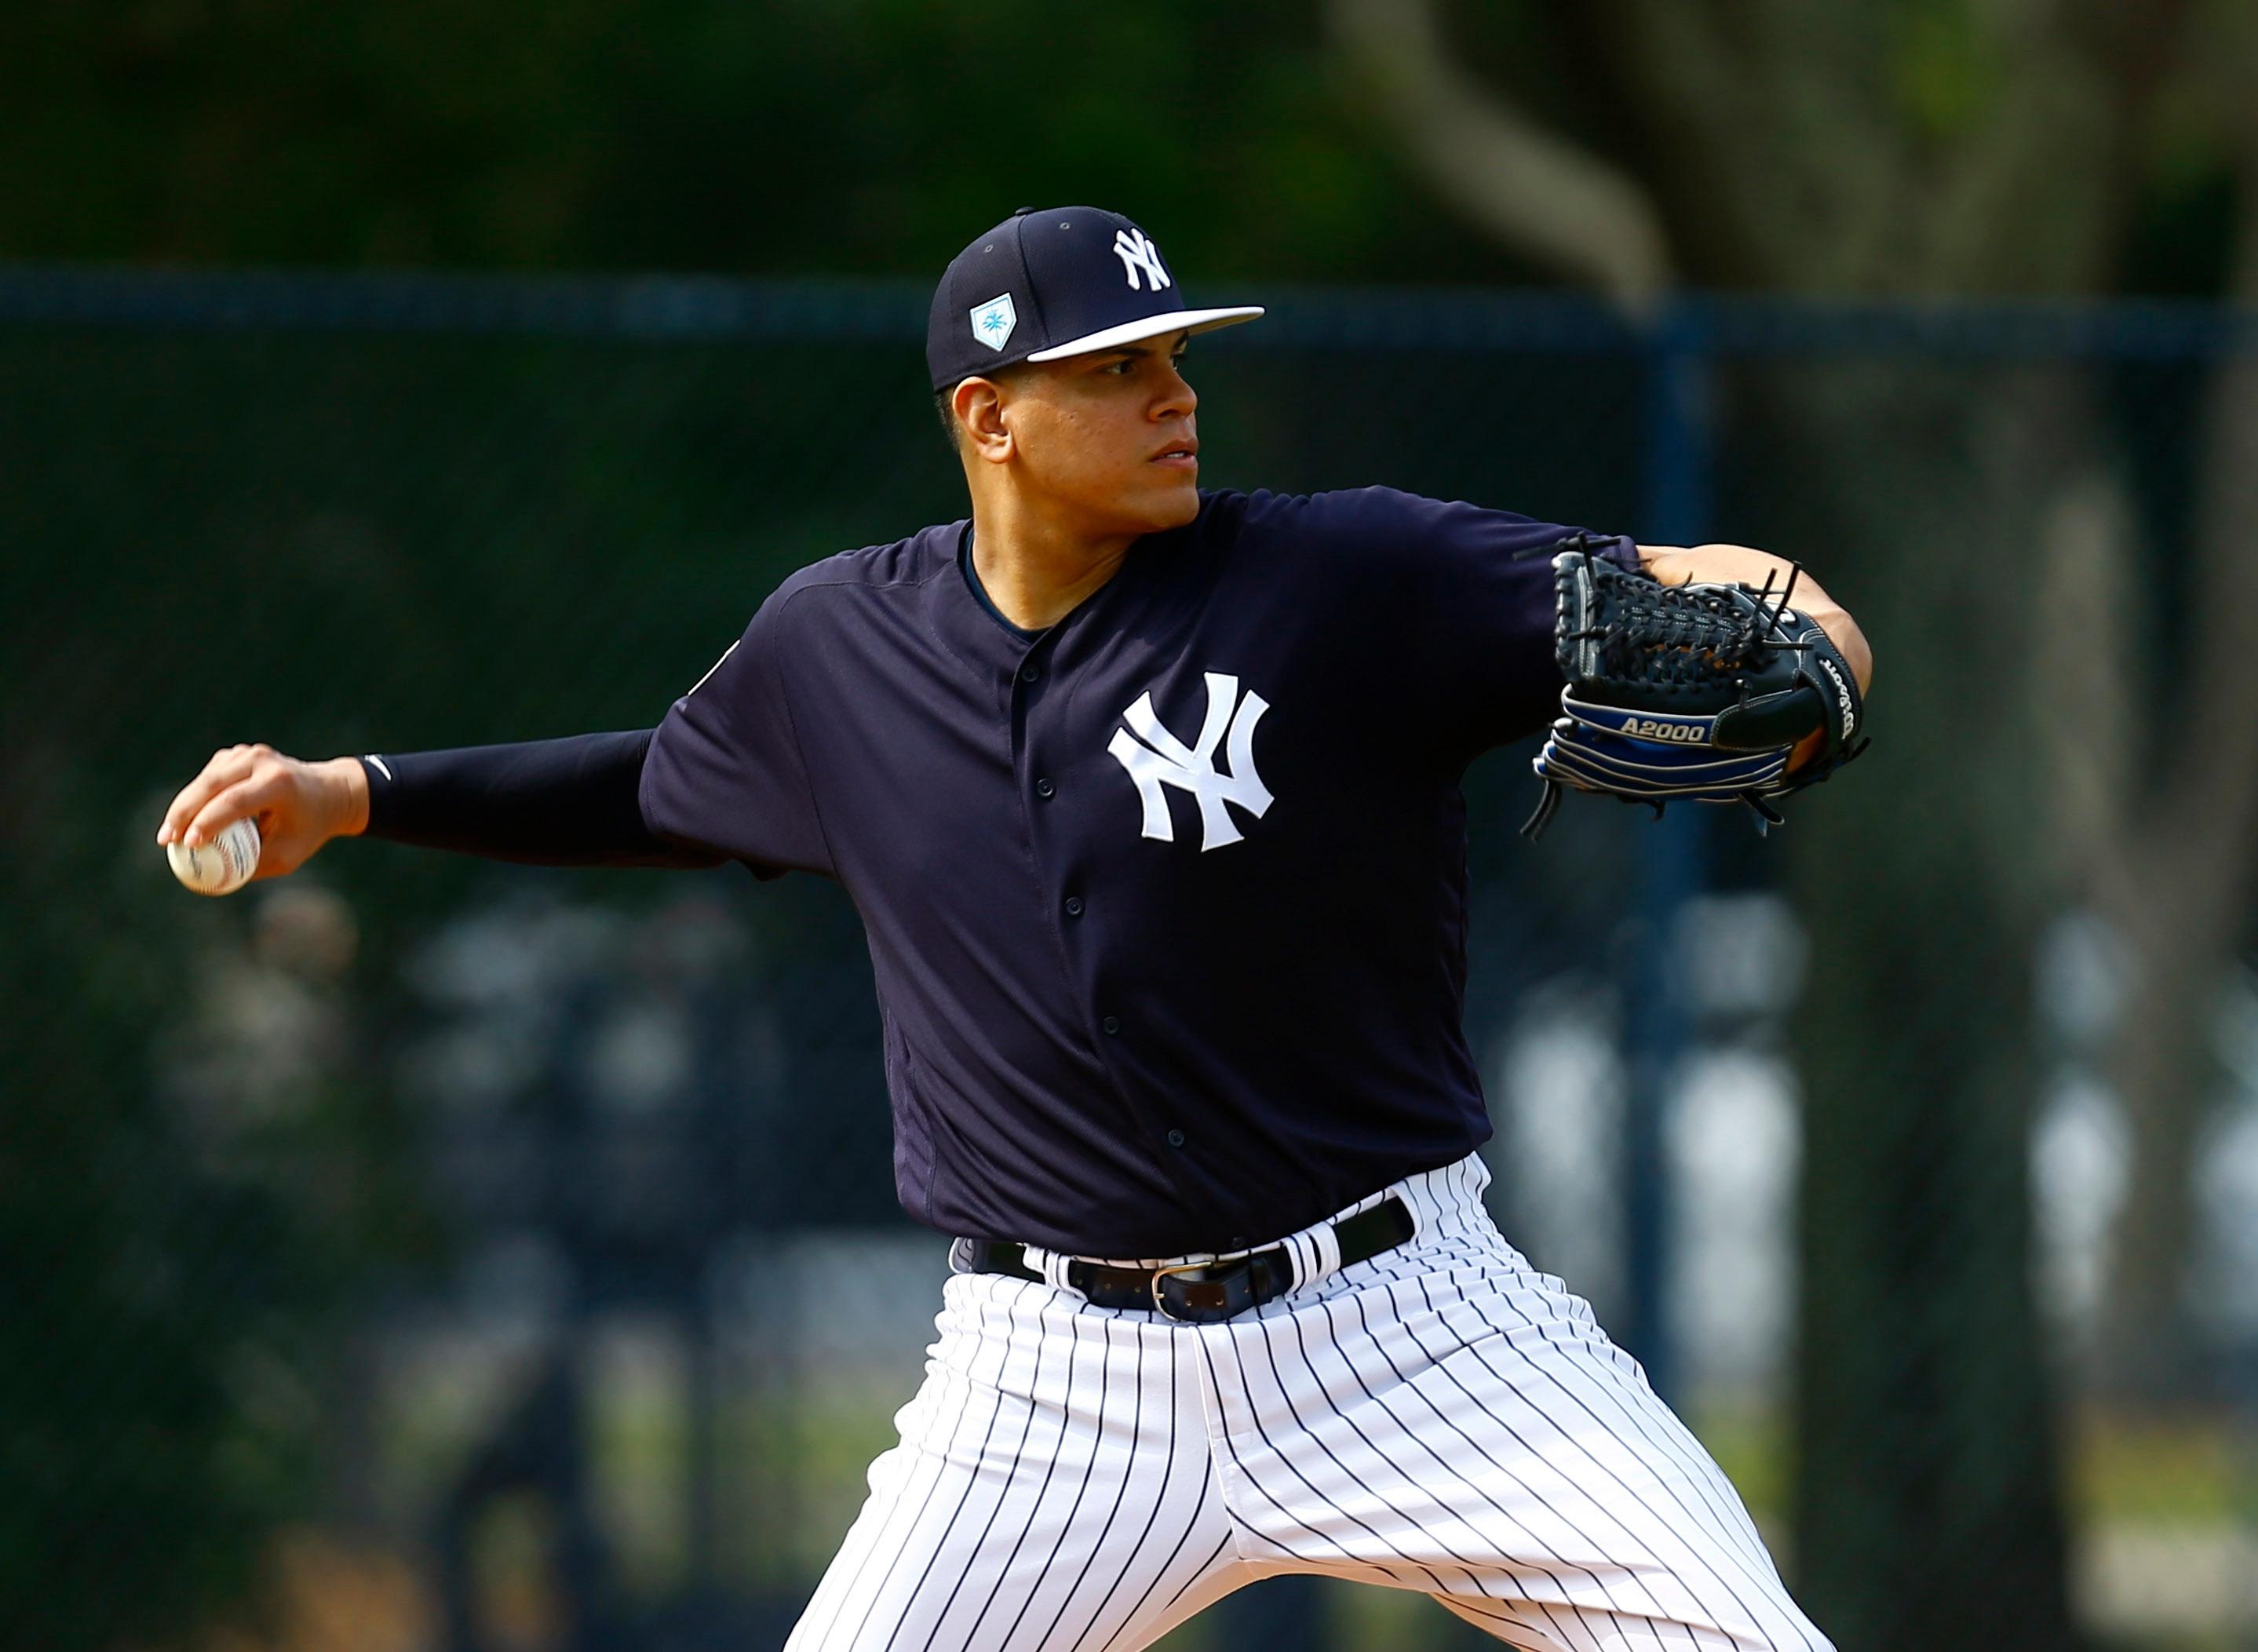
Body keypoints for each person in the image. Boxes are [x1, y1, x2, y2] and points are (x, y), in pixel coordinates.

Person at [161, 206, 1868, 1651]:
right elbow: (648, 787)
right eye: (1118, 369)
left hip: (1412, 1327)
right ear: (988, 417)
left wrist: (1814, 649)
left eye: (1178, 358)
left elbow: (1711, 582)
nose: (1173, 397)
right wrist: (355, 792)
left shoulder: (1342, 581)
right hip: (1049, 1389)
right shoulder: (836, 652)